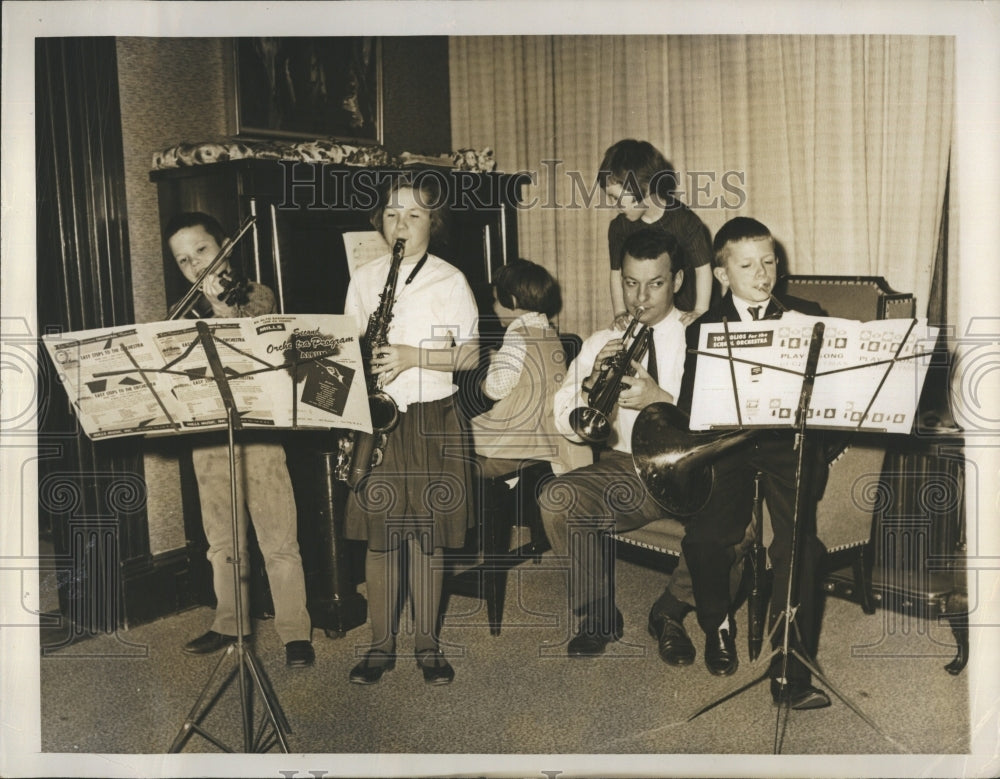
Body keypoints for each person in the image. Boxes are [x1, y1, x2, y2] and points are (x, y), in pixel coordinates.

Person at [673, 216, 831, 709]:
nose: (763, 274)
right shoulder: (703, 328)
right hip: (731, 450)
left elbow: (834, 395)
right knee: (704, 538)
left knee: (799, 544)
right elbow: (690, 409)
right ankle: (717, 624)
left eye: (769, 262)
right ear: (722, 275)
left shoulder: (810, 316)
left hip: (789, 447)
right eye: (747, 265)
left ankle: (791, 667)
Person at [343, 173, 480, 686]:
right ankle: (380, 645)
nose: (400, 224)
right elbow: (348, 344)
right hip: (379, 422)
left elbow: (471, 356)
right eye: (391, 213)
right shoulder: (364, 277)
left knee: (426, 538)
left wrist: (408, 356)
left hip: (430, 417)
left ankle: (427, 643)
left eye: (414, 215)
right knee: (380, 540)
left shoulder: (450, 279)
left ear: (433, 223)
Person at [165, 211, 314, 669]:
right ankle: (230, 621)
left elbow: (252, 339)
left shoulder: (256, 294)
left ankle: (295, 632)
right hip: (208, 431)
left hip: (258, 430)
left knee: (277, 536)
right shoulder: (183, 307)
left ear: (226, 247)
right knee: (221, 539)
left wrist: (222, 308)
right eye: (184, 260)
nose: (195, 266)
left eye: (202, 251)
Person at [539, 228, 696, 658]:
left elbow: (721, 420)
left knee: (741, 525)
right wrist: (591, 386)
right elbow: (565, 418)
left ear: (677, 282)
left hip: (694, 470)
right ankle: (599, 614)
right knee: (557, 498)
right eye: (630, 283)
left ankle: (670, 609)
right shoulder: (601, 342)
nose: (640, 297)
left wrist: (658, 399)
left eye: (655, 284)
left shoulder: (699, 336)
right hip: (631, 469)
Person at [470, 258, 592, 476]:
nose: (494, 307)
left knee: (470, 434)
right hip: (554, 417)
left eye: (497, 301)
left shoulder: (517, 337)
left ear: (513, 301)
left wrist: (485, 377)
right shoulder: (549, 333)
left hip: (525, 422)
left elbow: (498, 388)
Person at [597, 139, 714, 326]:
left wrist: (700, 311)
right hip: (648, 312)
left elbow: (703, 270)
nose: (614, 206)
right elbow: (616, 273)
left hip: (687, 310)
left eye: (617, 199)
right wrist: (620, 312)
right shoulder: (619, 227)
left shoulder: (684, 220)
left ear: (646, 188)